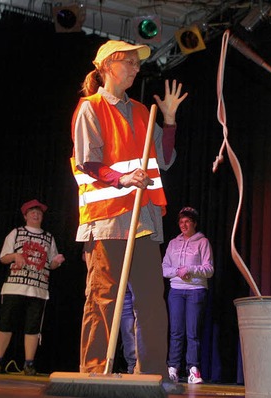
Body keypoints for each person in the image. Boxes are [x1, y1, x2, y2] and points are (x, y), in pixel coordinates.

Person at [70, 39, 188, 376]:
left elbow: (163, 161)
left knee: (151, 300)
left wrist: (168, 121)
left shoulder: (141, 111)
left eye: (138, 64)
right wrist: (122, 179)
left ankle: (151, 371)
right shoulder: (90, 107)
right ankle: (93, 370)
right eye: (130, 62)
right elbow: (88, 161)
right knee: (103, 297)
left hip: (145, 217)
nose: (137, 69)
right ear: (108, 65)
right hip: (108, 218)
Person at [0, 199, 65, 376]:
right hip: (14, 287)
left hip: (38, 289)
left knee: (33, 327)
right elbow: (3, 257)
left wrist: (56, 262)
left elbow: (50, 264)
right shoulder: (16, 233)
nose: (36, 214)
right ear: (25, 215)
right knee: (5, 324)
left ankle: (29, 364)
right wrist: (15, 255)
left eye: (39, 212)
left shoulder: (48, 237)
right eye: (32, 212)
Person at [162, 207, 214, 384]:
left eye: (187, 221)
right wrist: (178, 271)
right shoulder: (172, 243)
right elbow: (164, 268)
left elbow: (209, 269)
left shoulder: (203, 242)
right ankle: (173, 368)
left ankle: (193, 369)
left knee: (193, 333)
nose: (183, 225)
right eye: (181, 222)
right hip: (176, 291)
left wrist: (190, 269)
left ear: (194, 223)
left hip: (195, 291)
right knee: (176, 332)